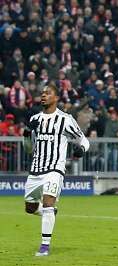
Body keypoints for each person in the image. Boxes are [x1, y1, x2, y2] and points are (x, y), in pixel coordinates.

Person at [24, 83, 89, 256]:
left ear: (56, 98)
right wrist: (26, 133)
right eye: (42, 93)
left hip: (55, 169)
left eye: (48, 93)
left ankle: (44, 247)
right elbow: (28, 149)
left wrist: (81, 150)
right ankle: (50, 212)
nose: (43, 95)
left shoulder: (65, 119)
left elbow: (83, 141)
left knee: (47, 204)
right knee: (30, 207)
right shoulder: (34, 119)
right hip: (36, 169)